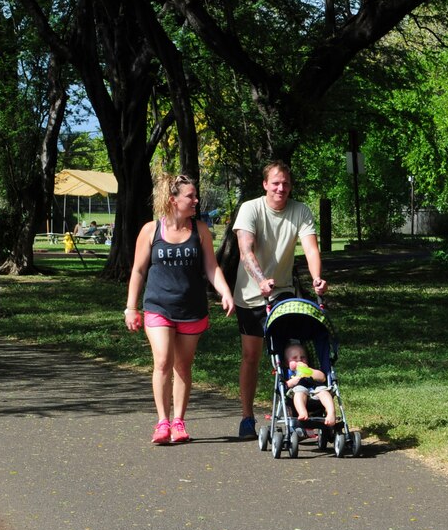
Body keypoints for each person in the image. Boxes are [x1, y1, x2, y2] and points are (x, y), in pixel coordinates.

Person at [125, 173, 234, 445]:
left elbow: (211, 267)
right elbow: (138, 271)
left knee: (183, 366)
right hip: (158, 306)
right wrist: (131, 307)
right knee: (162, 360)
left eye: (195, 196)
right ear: (173, 200)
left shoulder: (200, 231)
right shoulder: (151, 230)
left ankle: (179, 422)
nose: (196, 200)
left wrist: (225, 291)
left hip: (192, 308)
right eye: (191, 196)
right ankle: (162, 422)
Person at [232, 160, 328, 439]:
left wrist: (317, 278)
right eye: (275, 182)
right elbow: (245, 250)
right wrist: (260, 279)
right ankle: (247, 418)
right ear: (265, 184)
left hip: (283, 294)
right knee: (251, 356)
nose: (280, 188)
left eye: (285, 183)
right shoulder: (250, 209)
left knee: (292, 357)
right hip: (250, 295)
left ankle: (298, 413)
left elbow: (310, 249)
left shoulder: (301, 210)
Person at [284, 343, 336, 426]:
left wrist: (310, 372)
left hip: (316, 390)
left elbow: (322, 377)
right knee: (299, 392)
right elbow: (286, 385)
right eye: (294, 358)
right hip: (299, 391)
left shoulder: (310, 369)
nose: (299, 360)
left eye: (303, 357)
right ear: (287, 363)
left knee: (325, 392)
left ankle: (331, 413)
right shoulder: (288, 372)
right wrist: (294, 380)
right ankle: (302, 412)